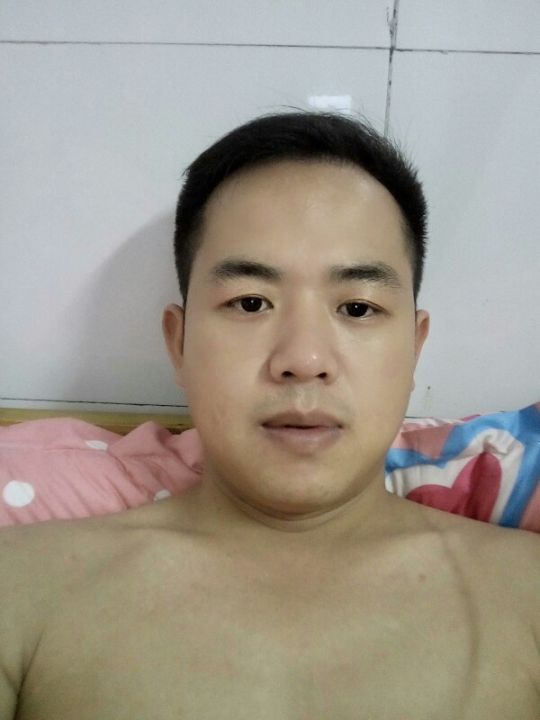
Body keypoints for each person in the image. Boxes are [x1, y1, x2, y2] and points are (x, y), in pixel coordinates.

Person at [1, 110, 538, 719]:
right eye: (251, 302)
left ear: (415, 349)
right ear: (179, 343)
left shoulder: (526, 597)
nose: (304, 360)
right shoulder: (23, 588)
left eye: (358, 308)